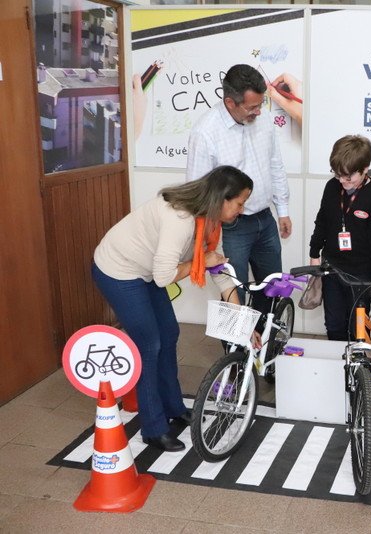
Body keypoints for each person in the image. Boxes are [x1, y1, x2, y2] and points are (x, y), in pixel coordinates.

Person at [92, 166, 252, 451]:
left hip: (148, 272)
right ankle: (153, 429)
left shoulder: (212, 223)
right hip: (118, 270)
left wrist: (243, 326)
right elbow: (166, 276)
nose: (242, 210)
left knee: (169, 333)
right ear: (221, 199)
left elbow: (220, 273)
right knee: (149, 344)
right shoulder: (180, 218)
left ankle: (173, 408)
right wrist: (201, 261)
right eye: (239, 203)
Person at [186, 64, 291, 315]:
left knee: (272, 287)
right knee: (234, 293)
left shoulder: (263, 119)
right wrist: (206, 242)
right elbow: (198, 193)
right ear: (230, 102)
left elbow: (275, 163)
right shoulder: (205, 132)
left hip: (265, 219)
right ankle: (238, 341)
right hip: (230, 228)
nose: (258, 112)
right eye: (252, 107)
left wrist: (283, 209)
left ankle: (265, 337)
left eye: (261, 104)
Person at [309, 135, 371, 340]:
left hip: (362, 271)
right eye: (338, 175)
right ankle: (336, 359)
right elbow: (322, 221)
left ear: (365, 169)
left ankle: (358, 360)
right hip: (332, 267)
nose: (342, 181)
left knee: (357, 327)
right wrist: (314, 253)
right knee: (334, 323)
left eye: (348, 177)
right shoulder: (332, 187)